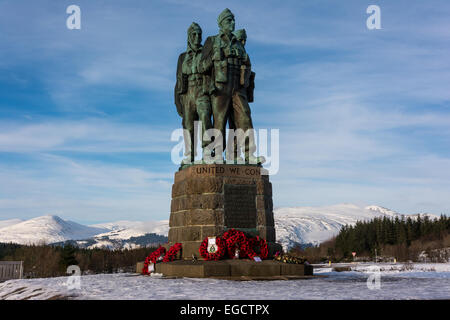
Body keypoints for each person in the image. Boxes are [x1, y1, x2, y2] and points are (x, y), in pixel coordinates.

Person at [199, 9, 263, 164]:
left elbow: (247, 63)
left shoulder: (238, 43)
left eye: (233, 20)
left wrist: (245, 62)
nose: (232, 23)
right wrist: (214, 57)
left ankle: (249, 154)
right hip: (221, 86)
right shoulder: (212, 41)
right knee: (219, 121)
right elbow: (202, 66)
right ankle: (217, 154)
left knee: (245, 117)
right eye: (229, 20)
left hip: (237, 86)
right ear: (221, 24)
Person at [174, 22, 213, 164]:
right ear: (189, 37)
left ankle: (208, 150)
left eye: (199, 34)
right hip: (187, 95)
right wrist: (177, 101)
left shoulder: (206, 53)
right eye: (194, 34)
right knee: (188, 125)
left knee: (205, 117)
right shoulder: (182, 57)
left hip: (202, 91)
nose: (197, 37)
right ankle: (189, 155)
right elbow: (178, 80)